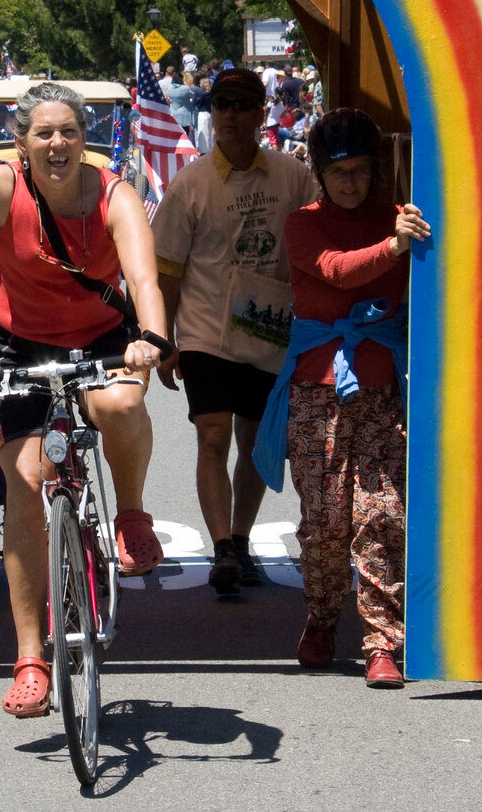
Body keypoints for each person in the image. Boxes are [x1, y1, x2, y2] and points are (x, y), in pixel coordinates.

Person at [0, 53, 171, 719]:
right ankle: (29, 657)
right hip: (17, 342)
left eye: (68, 131)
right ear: (21, 141)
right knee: (22, 484)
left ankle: (129, 512)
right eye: (43, 132)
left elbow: (143, 279)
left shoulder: (114, 192)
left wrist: (150, 341)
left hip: (103, 332)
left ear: (86, 138)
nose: (56, 143)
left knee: (118, 401)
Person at [254, 107, 430, 688]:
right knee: (325, 518)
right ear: (321, 174)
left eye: (360, 170)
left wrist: (401, 237)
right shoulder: (303, 223)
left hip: (382, 392)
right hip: (316, 391)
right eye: (340, 172)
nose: (351, 182)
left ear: (373, 170)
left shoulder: (399, 218)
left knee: (382, 515)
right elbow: (336, 270)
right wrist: (393, 247)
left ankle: (382, 639)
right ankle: (322, 617)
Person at [152, 68, 318, 593]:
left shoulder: (293, 177)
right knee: (213, 436)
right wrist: (164, 342)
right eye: (221, 104)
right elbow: (166, 271)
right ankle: (221, 547)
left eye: (243, 104)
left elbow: (321, 241)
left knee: (252, 442)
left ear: (261, 112)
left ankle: (241, 541)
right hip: (205, 333)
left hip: (270, 331)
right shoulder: (191, 184)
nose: (230, 115)